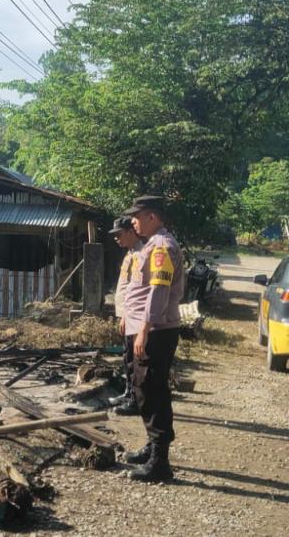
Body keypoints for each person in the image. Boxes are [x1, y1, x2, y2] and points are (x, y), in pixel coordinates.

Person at [119, 195, 186, 482]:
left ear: (152, 217)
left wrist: (145, 328)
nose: (133, 221)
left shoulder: (161, 247)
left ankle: (160, 461)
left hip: (156, 330)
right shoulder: (151, 244)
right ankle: (153, 445)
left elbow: (158, 291)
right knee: (145, 388)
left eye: (138, 215)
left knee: (152, 390)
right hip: (148, 328)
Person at [108, 216, 141, 415]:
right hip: (127, 316)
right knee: (127, 356)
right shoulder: (131, 253)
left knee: (134, 360)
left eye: (119, 234)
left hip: (134, 316)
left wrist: (127, 315)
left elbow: (136, 290)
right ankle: (129, 393)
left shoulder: (141, 254)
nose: (116, 239)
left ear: (130, 232)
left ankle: (135, 399)